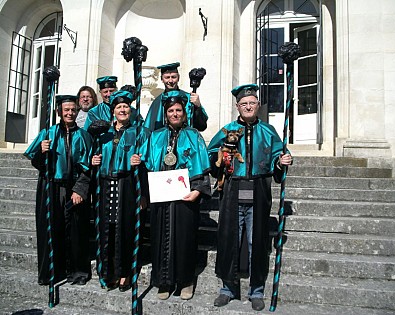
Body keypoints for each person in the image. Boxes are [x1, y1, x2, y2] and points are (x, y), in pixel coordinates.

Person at [207, 84, 293, 311]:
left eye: (252, 103)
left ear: (257, 105)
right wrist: (220, 156)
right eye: (243, 103)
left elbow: (279, 152)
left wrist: (283, 160)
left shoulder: (268, 130)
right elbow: (210, 154)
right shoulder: (227, 129)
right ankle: (228, 289)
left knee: (257, 241)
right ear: (237, 106)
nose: (248, 106)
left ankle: (256, 290)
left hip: (259, 189)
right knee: (229, 239)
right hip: (232, 189)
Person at [132, 90, 211, 300]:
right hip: (161, 196)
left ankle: (185, 281)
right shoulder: (156, 136)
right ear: (165, 114)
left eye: (178, 110)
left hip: (186, 197)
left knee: (185, 238)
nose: (175, 114)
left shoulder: (194, 135)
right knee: (160, 238)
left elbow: (202, 168)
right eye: (170, 111)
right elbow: (146, 165)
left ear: (184, 113)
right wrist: (137, 161)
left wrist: (197, 190)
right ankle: (163, 281)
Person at [24, 95, 92, 286]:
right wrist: (41, 152)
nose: (70, 113)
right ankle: (51, 271)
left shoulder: (84, 136)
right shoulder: (48, 133)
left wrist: (80, 189)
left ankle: (77, 272)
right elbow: (37, 163)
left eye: (73, 110)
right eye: (66, 110)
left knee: (77, 230)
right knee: (51, 229)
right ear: (59, 112)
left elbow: (87, 168)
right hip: (50, 186)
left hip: (74, 187)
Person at [91, 90, 150, 291]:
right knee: (107, 229)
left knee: (126, 228)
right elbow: (93, 155)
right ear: (113, 111)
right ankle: (108, 271)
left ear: (130, 110)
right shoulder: (104, 133)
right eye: (118, 107)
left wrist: (139, 163)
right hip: (106, 184)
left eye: (125, 107)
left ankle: (125, 272)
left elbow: (147, 161)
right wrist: (94, 160)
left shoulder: (139, 132)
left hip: (128, 185)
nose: (122, 110)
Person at [143, 62, 208, 132]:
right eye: (167, 77)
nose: (170, 81)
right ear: (162, 79)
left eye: (173, 77)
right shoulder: (157, 102)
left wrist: (198, 107)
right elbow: (148, 129)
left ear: (178, 78)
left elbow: (202, 126)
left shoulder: (189, 98)